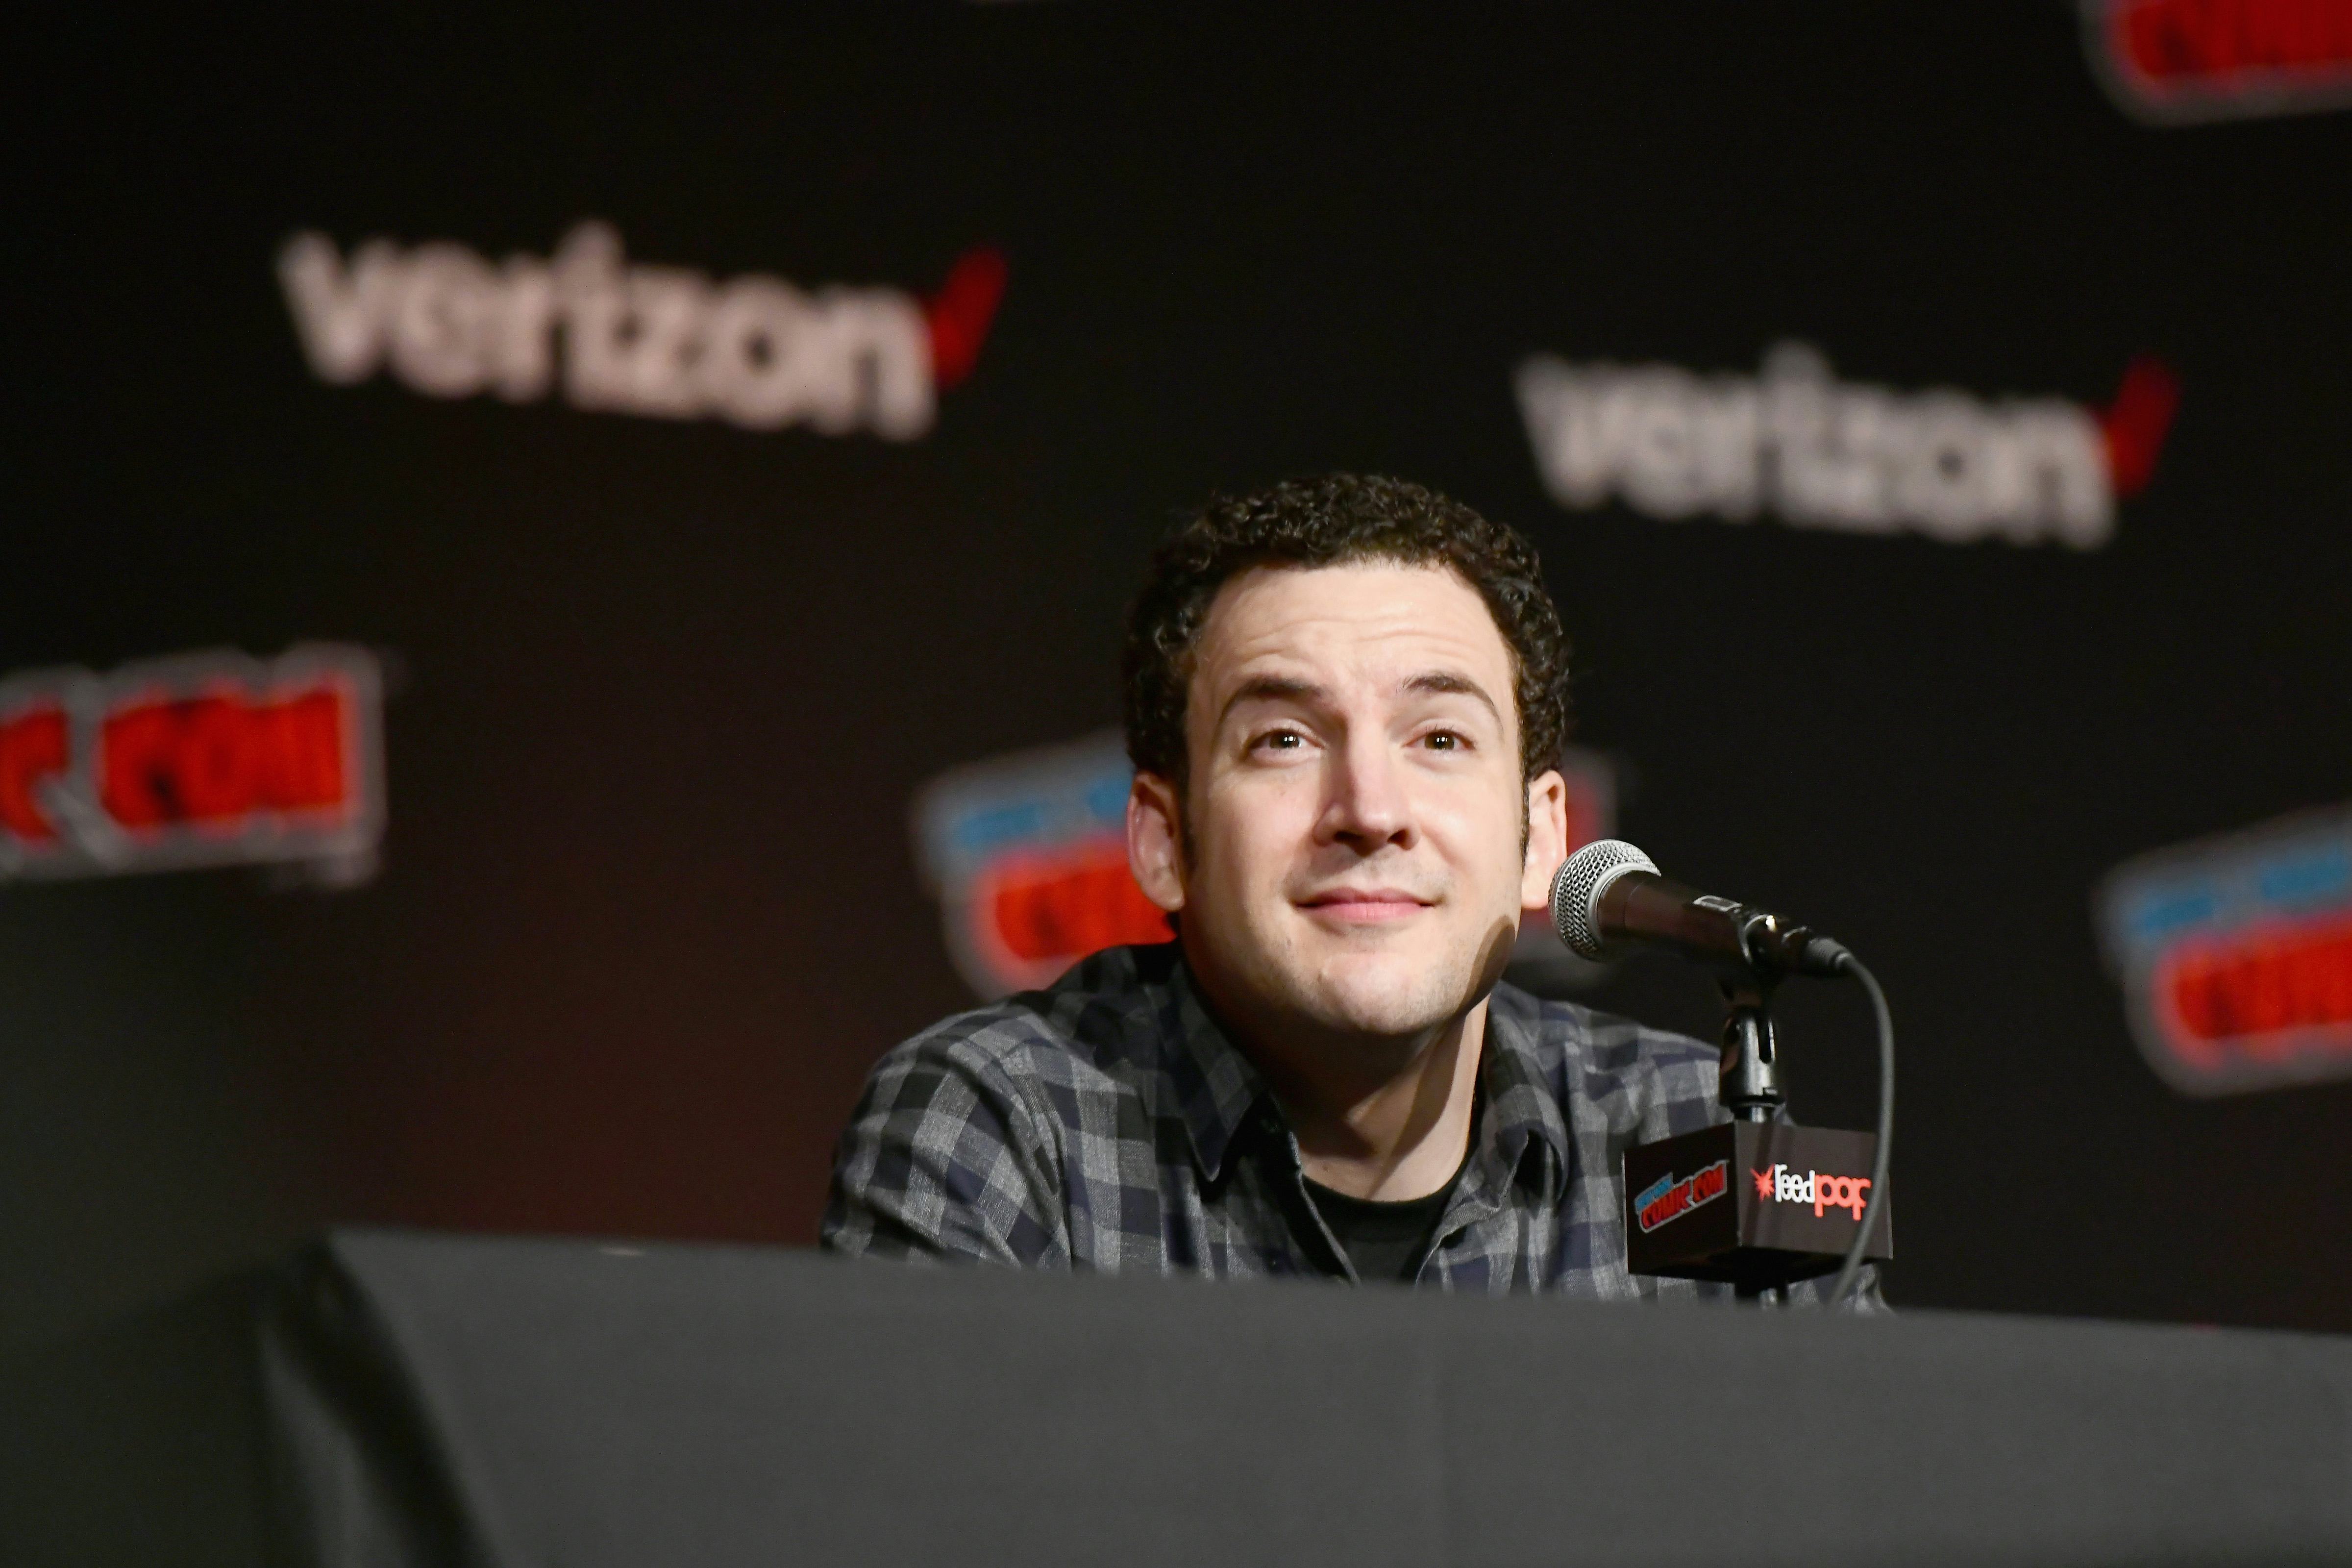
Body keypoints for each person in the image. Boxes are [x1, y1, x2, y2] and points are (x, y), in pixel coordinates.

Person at [825, 474, 1873, 1304]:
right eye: (1284, 739)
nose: (1370, 808)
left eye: (1441, 738)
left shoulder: (1687, 1132)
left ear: (1540, 838)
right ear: (1161, 841)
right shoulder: (1001, 1126)